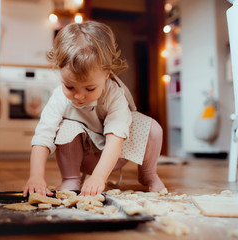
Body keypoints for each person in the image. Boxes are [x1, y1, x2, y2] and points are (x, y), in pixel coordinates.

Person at [23, 20, 165, 197]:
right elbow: (43, 137)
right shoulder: (59, 97)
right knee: (66, 126)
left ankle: (148, 174)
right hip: (82, 157)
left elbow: (115, 140)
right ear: (60, 70)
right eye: (70, 87)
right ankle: (70, 178)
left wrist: (99, 177)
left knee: (153, 129)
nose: (79, 96)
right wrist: (36, 176)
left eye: (90, 88)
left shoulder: (114, 95)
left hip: (113, 156)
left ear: (107, 74)